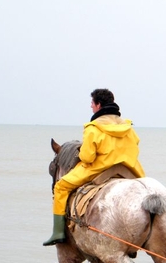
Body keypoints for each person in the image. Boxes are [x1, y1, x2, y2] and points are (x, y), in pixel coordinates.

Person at [43, 88, 146, 246]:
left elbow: (87, 157)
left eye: (92, 103)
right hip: (130, 170)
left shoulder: (93, 128)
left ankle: (58, 232)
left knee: (60, 187)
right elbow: (135, 145)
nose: (91, 106)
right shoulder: (128, 127)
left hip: (100, 170)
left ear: (98, 105)